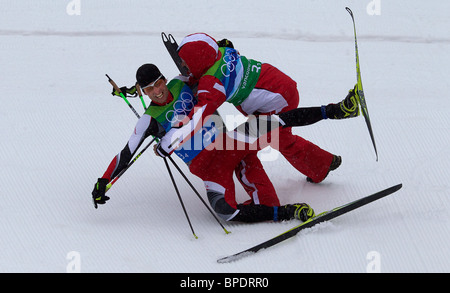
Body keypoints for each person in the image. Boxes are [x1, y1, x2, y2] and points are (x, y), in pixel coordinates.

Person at [93, 64, 359, 223]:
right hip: (207, 167)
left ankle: (336, 110)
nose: (157, 91)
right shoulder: (148, 120)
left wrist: (222, 47)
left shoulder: (182, 83)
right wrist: (104, 181)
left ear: (164, 79)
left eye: (158, 83)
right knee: (225, 212)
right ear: (143, 91)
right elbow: (125, 154)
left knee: (270, 123)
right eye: (148, 89)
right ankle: (286, 212)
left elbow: (207, 68)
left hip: (229, 142)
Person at [171, 33, 359, 184]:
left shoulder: (212, 83)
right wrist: (193, 76)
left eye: (185, 61)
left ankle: (265, 201)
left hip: (276, 99)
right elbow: (219, 52)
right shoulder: (221, 50)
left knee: (243, 149)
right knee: (281, 138)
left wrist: (175, 137)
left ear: (197, 59)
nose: (183, 65)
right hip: (277, 82)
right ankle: (322, 164)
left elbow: (202, 112)